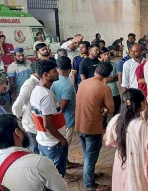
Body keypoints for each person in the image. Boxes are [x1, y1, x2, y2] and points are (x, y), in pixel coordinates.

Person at [104, 89, 148, 191]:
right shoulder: (142, 126)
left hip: (121, 166)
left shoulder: (116, 120)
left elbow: (109, 141)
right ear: (143, 104)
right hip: (138, 169)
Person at [0, 114, 69, 191]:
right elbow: (61, 189)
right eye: (21, 127)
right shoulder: (38, 163)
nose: (24, 130)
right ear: (17, 133)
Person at [75, 62, 115, 191]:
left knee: (87, 154)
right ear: (108, 75)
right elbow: (111, 108)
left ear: (96, 70)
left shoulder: (83, 83)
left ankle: (90, 177)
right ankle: (89, 185)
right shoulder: (104, 88)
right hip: (92, 127)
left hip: (79, 124)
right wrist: (103, 108)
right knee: (90, 158)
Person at [29, 60, 68, 178]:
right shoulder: (46, 96)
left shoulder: (37, 90)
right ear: (46, 75)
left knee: (49, 174)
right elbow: (48, 124)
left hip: (44, 141)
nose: (57, 73)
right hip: (53, 143)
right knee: (56, 175)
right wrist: (62, 139)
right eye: (54, 71)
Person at [51, 57, 82, 177]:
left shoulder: (53, 80)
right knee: (63, 145)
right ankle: (62, 172)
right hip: (66, 120)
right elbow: (62, 105)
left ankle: (66, 163)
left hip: (59, 119)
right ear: (69, 69)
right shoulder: (67, 84)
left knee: (62, 144)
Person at [12, 61, 40, 154]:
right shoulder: (29, 84)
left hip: (36, 123)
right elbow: (16, 106)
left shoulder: (37, 82)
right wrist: (20, 118)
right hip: (30, 125)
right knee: (34, 151)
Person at [99, 47, 121, 127]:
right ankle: (103, 127)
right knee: (104, 112)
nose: (107, 56)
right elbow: (99, 79)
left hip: (115, 91)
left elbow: (118, 76)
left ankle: (115, 126)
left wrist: (109, 79)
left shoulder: (114, 64)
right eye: (104, 54)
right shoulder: (98, 66)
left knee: (116, 110)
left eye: (108, 54)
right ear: (100, 55)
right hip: (103, 92)